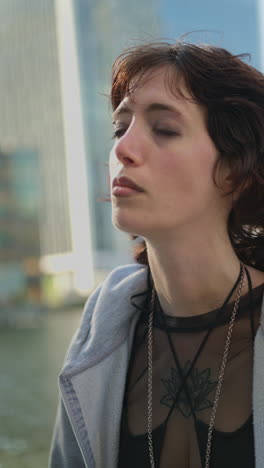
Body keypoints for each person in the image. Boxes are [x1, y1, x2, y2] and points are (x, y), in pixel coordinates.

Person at [49, 39, 264, 468]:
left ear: (235, 170)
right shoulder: (103, 329)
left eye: (163, 129)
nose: (122, 150)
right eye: (119, 128)